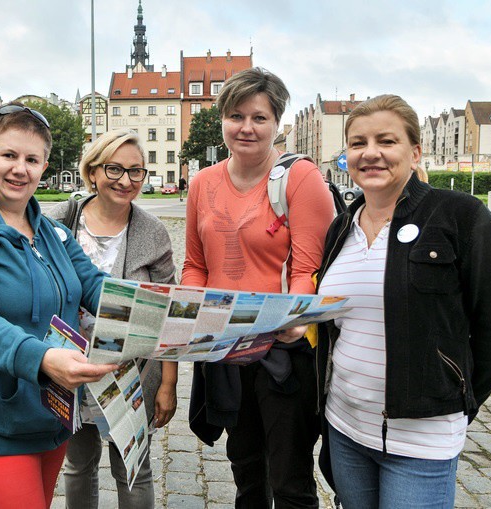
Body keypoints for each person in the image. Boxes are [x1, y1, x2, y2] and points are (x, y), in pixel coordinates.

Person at [315, 95, 491, 508]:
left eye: (385, 141)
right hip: (345, 428)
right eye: (357, 143)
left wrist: (455, 396)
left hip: (421, 442)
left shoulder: (460, 216)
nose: (370, 153)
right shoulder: (341, 227)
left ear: (414, 152)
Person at [0, 102, 118, 509]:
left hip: (51, 409)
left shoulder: (52, 231)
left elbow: (96, 286)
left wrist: (166, 313)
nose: (20, 169)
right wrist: (43, 358)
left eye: (32, 159)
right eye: (8, 155)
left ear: (45, 166)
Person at [184, 67, 334, 508]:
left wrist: (294, 315)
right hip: (225, 347)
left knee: (289, 478)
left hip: (281, 351)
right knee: (246, 467)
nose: (246, 127)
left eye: (259, 117)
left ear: (276, 122)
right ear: (222, 120)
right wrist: (191, 312)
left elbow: (309, 265)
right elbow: (195, 264)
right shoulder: (202, 183)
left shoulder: (300, 178)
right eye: (235, 116)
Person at [47, 129, 178, 508]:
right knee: (78, 465)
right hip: (72, 370)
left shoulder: (152, 233)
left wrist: (168, 383)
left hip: (131, 374)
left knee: (134, 469)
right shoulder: (60, 222)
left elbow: (168, 313)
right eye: (115, 169)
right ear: (93, 171)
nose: (126, 181)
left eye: (136, 172)